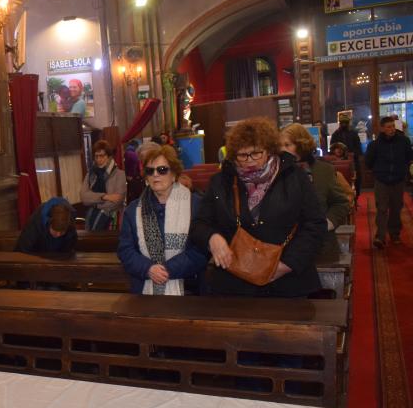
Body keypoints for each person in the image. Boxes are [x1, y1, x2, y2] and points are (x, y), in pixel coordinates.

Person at [189, 117, 327, 297]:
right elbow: (200, 224)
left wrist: (287, 264)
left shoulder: (294, 177)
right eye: (242, 155)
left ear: (269, 150)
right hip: (234, 284)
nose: (250, 160)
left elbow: (315, 224)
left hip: (287, 281)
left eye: (256, 153)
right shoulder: (220, 182)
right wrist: (212, 237)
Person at [118, 145, 208, 295]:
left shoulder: (195, 205)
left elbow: (201, 249)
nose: (155, 175)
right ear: (146, 177)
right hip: (145, 289)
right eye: (150, 171)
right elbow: (125, 250)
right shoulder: (133, 210)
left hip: (188, 288)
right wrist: (148, 268)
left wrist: (168, 270)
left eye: (162, 170)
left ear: (173, 174)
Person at [281, 124, 351, 256]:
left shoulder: (324, 170)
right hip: (286, 249)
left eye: (287, 145)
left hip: (320, 245)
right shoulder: (276, 172)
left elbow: (341, 203)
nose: (282, 150)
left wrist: (326, 224)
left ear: (301, 145)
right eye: (280, 145)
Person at [365, 116, 413, 248]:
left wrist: (402, 171)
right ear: (382, 128)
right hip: (382, 180)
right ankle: (380, 237)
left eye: (393, 126)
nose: (391, 129)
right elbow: (368, 161)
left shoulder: (404, 141)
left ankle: (394, 233)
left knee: (396, 208)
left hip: (398, 179)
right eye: (388, 127)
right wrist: (377, 171)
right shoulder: (375, 145)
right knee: (382, 208)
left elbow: (409, 157)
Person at [81, 140, 126, 231]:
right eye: (96, 156)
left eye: (102, 156)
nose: (98, 159)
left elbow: (117, 200)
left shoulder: (119, 174)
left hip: (112, 219)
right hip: (91, 216)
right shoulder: (90, 174)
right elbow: (84, 197)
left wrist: (94, 203)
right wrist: (104, 197)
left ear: (109, 156)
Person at [330, 114, 363, 203]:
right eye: (342, 123)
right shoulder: (335, 134)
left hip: (353, 162)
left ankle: (355, 199)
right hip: (338, 162)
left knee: (356, 180)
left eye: (346, 123)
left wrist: (351, 155)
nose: (344, 124)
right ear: (340, 123)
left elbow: (358, 149)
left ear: (348, 123)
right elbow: (332, 149)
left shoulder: (354, 134)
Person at [124, 139, 145, 204]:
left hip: (128, 178)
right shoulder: (133, 154)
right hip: (134, 178)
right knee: (135, 196)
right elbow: (137, 167)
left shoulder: (126, 152)